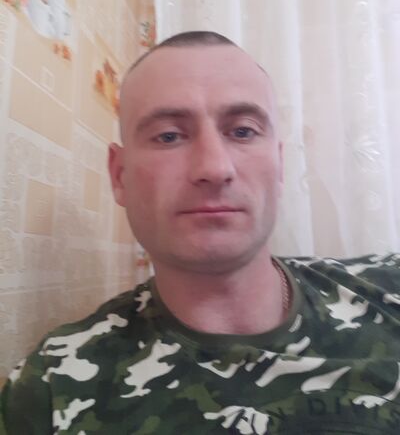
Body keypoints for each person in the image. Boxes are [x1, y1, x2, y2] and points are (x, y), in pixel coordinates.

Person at [1, 31, 400, 435]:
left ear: (279, 165)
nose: (214, 167)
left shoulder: (390, 288)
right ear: (119, 176)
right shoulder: (52, 386)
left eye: (243, 131)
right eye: (169, 136)